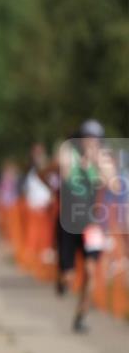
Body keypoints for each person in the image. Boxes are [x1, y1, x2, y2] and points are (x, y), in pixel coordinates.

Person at [55, 119, 115, 332]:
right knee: (68, 277)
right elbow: (67, 176)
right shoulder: (68, 153)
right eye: (87, 138)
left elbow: (113, 184)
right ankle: (62, 279)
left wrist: (98, 164)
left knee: (90, 271)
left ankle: (80, 317)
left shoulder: (103, 158)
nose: (91, 142)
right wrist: (83, 165)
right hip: (70, 221)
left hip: (92, 223)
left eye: (95, 139)